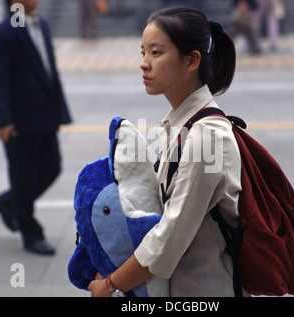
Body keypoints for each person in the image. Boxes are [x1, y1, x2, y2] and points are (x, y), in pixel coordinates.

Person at [88, 6, 247, 297]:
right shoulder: (179, 124)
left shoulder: (207, 138)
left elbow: (168, 240)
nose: (144, 64)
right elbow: (154, 211)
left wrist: (110, 285)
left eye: (156, 53)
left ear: (191, 61)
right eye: (143, 52)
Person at [0, 0, 72, 255]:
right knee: (23, 178)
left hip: (45, 114)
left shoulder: (42, 25)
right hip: (20, 119)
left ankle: (8, 202)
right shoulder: (3, 32)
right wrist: (2, 119)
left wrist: (59, 110)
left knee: (52, 167)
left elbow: (48, 72)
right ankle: (31, 233)